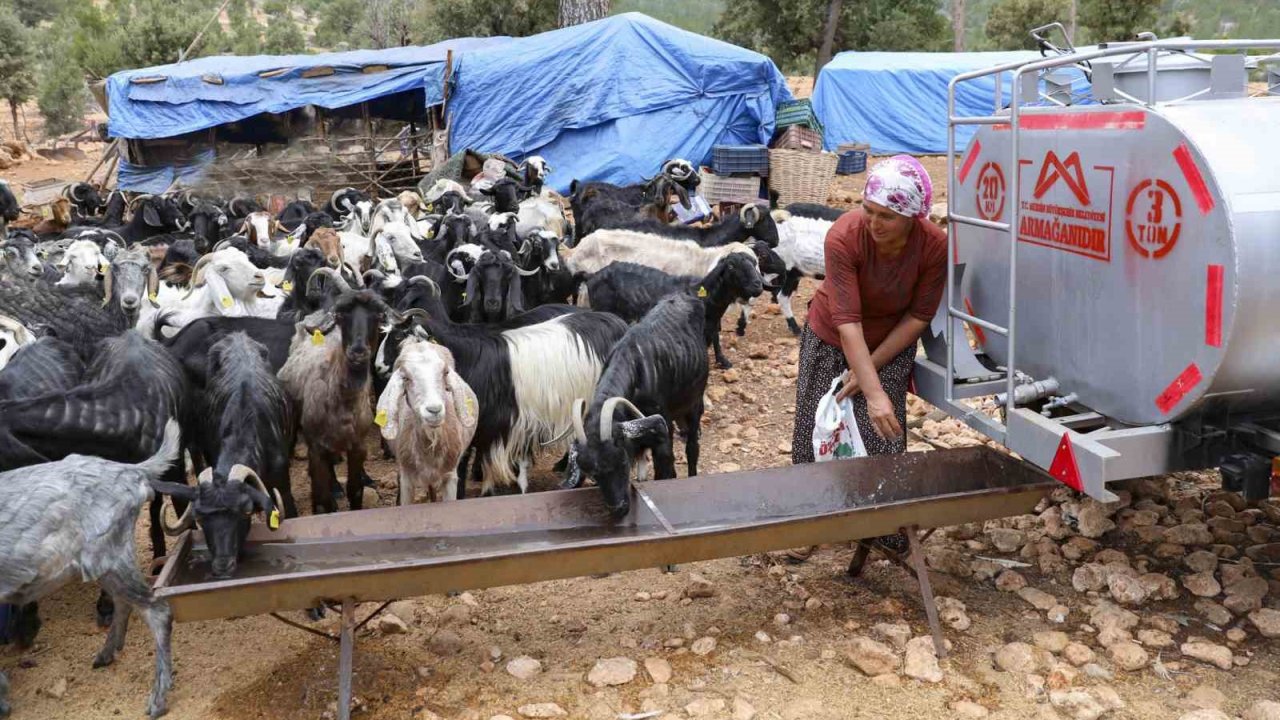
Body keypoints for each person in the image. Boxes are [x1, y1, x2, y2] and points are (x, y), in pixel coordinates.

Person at [788, 155, 947, 562]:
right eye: (869, 211)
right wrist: (870, 389)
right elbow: (847, 323)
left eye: (887, 216)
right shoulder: (844, 237)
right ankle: (813, 521)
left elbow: (919, 316)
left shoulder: (933, 246)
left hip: (891, 342)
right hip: (832, 337)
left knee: (883, 433)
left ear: (913, 216)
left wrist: (871, 377)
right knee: (818, 426)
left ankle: (885, 530)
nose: (874, 223)